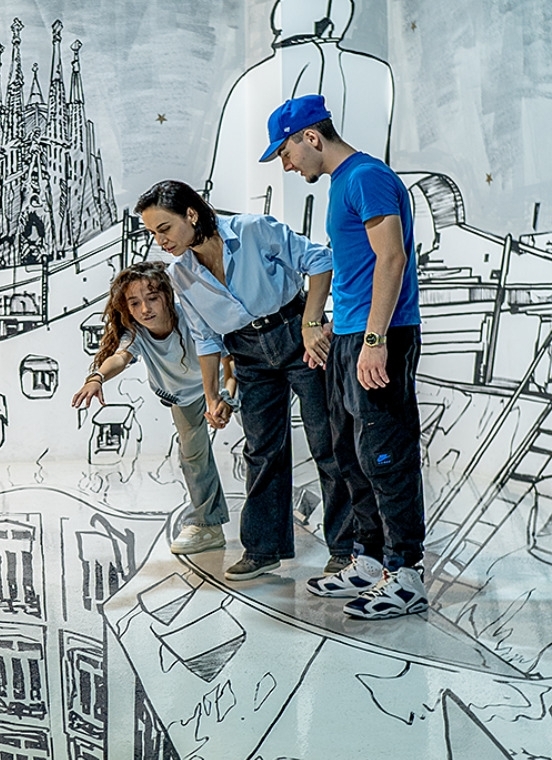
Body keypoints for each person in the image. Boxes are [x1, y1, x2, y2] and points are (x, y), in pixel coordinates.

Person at [135, 179, 360, 582]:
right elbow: (206, 337)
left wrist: (312, 322)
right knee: (261, 450)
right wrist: (212, 396)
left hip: (295, 333)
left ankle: (347, 549)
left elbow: (320, 261)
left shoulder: (254, 229)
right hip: (247, 353)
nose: (159, 241)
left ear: (191, 214)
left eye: (164, 228)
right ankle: (263, 549)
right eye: (152, 233)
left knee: (327, 442)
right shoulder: (181, 273)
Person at [262, 94, 426, 620]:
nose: (287, 164)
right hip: (352, 334)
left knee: (385, 453)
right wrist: (336, 328)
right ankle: (369, 558)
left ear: (311, 136)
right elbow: (359, 269)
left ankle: (405, 574)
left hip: (382, 334)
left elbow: (392, 258)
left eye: (285, 151)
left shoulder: (366, 177)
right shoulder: (343, 184)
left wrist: (375, 339)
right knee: (350, 454)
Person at [71, 261, 237, 555]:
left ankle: (271, 520)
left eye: (152, 298)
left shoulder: (191, 316)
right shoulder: (136, 332)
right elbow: (120, 357)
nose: (145, 309)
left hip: (222, 382)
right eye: (134, 303)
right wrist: (97, 377)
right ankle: (208, 525)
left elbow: (228, 359)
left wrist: (226, 397)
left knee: (259, 445)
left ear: (167, 296)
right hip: (182, 395)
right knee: (193, 456)